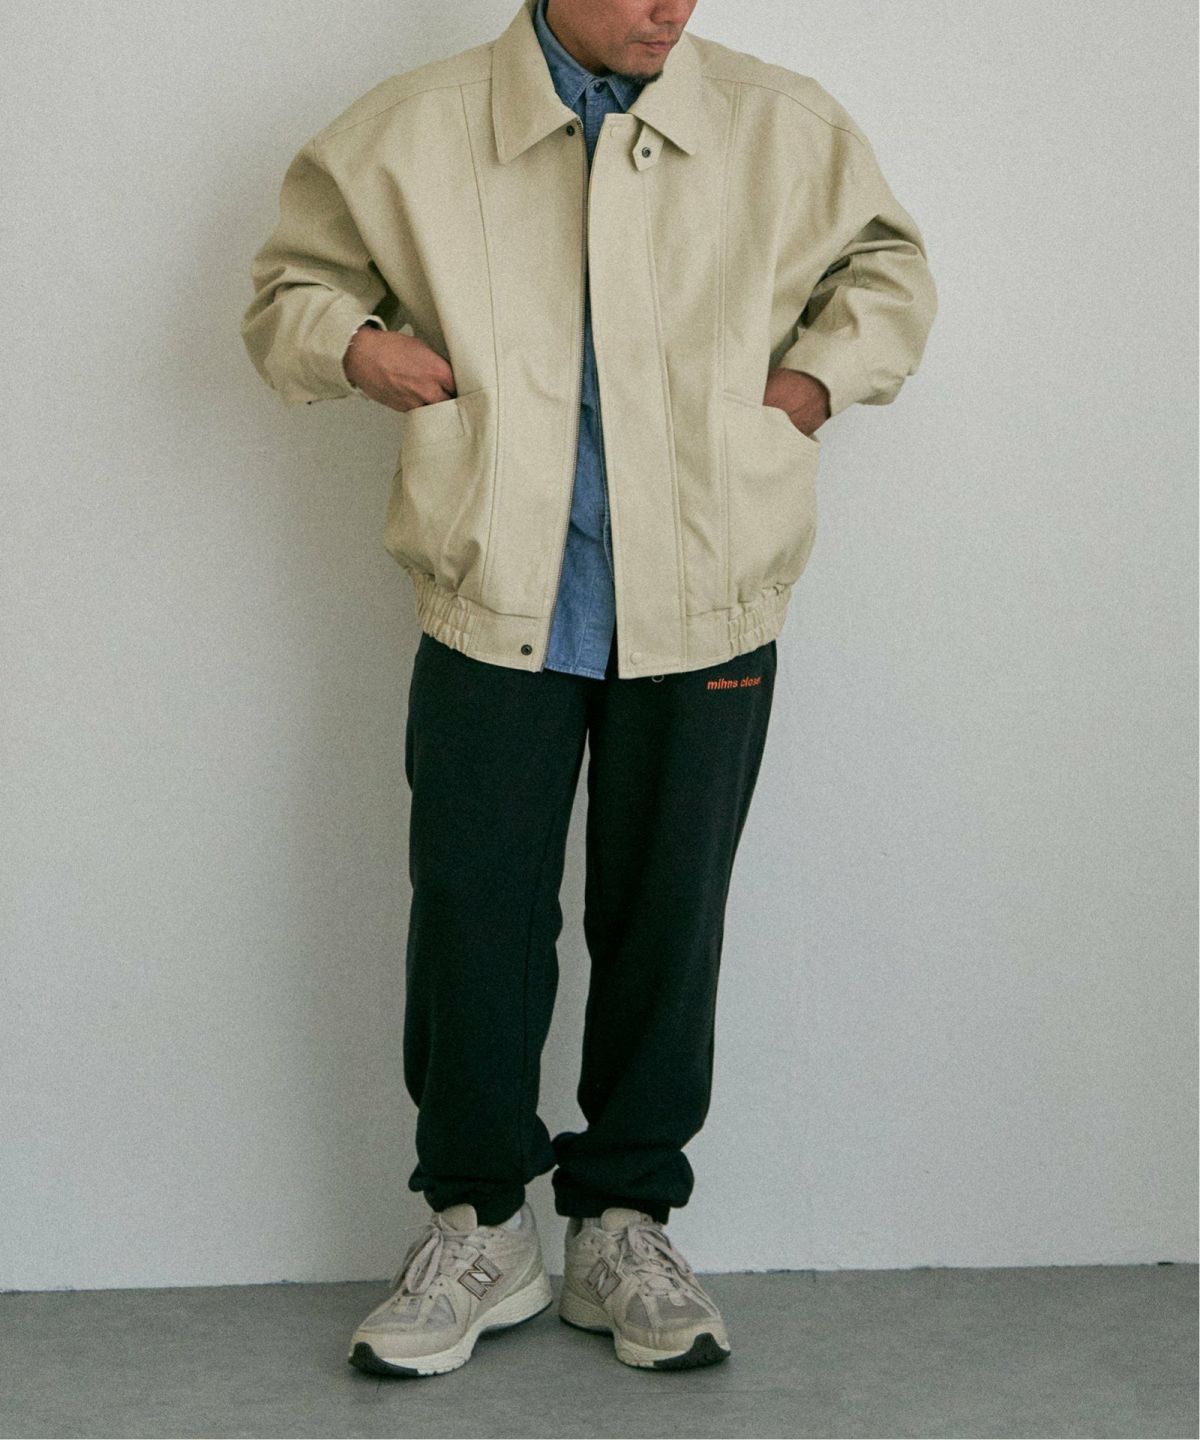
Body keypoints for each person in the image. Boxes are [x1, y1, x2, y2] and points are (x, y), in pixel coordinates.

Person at [240, 0, 937, 1378]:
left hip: (708, 589)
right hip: (493, 588)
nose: (672, 4)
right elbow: (285, 290)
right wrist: (361, 349)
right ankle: (480, 1224)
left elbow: (888, 270)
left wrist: (808, 385)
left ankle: (624, 1224)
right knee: (473, 912)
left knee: (667, 912)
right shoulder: (415, 129)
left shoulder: (778, 126)